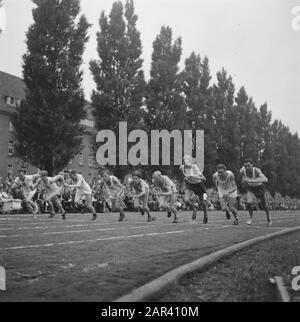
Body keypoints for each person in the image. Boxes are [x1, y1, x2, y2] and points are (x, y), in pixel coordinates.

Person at [240, 159, 272, 226]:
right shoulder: (242, 170)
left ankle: (268, 216)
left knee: (264, 205)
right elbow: (243, 178)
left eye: (249, 166)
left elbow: (265, 179)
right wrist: (244, 181)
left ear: (252, 165)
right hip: (250, 188)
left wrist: (251, 180)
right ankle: (251, 218)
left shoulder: (257, 170)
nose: (247, 168)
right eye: (245, 166)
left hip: (259, 187)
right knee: (248, 202)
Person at [179, 155, 208, 223]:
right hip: (190, 185)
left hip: (198, 184)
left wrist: (194, 176)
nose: (185, 163)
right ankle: (194, 209)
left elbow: (204, 179)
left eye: (187, 162)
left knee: (201, 202)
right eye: (184, 161)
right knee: (186, 200)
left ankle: (205, 215)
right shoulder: (181, 168)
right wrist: (186, 178)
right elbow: (184, 175)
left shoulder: (194, 168)